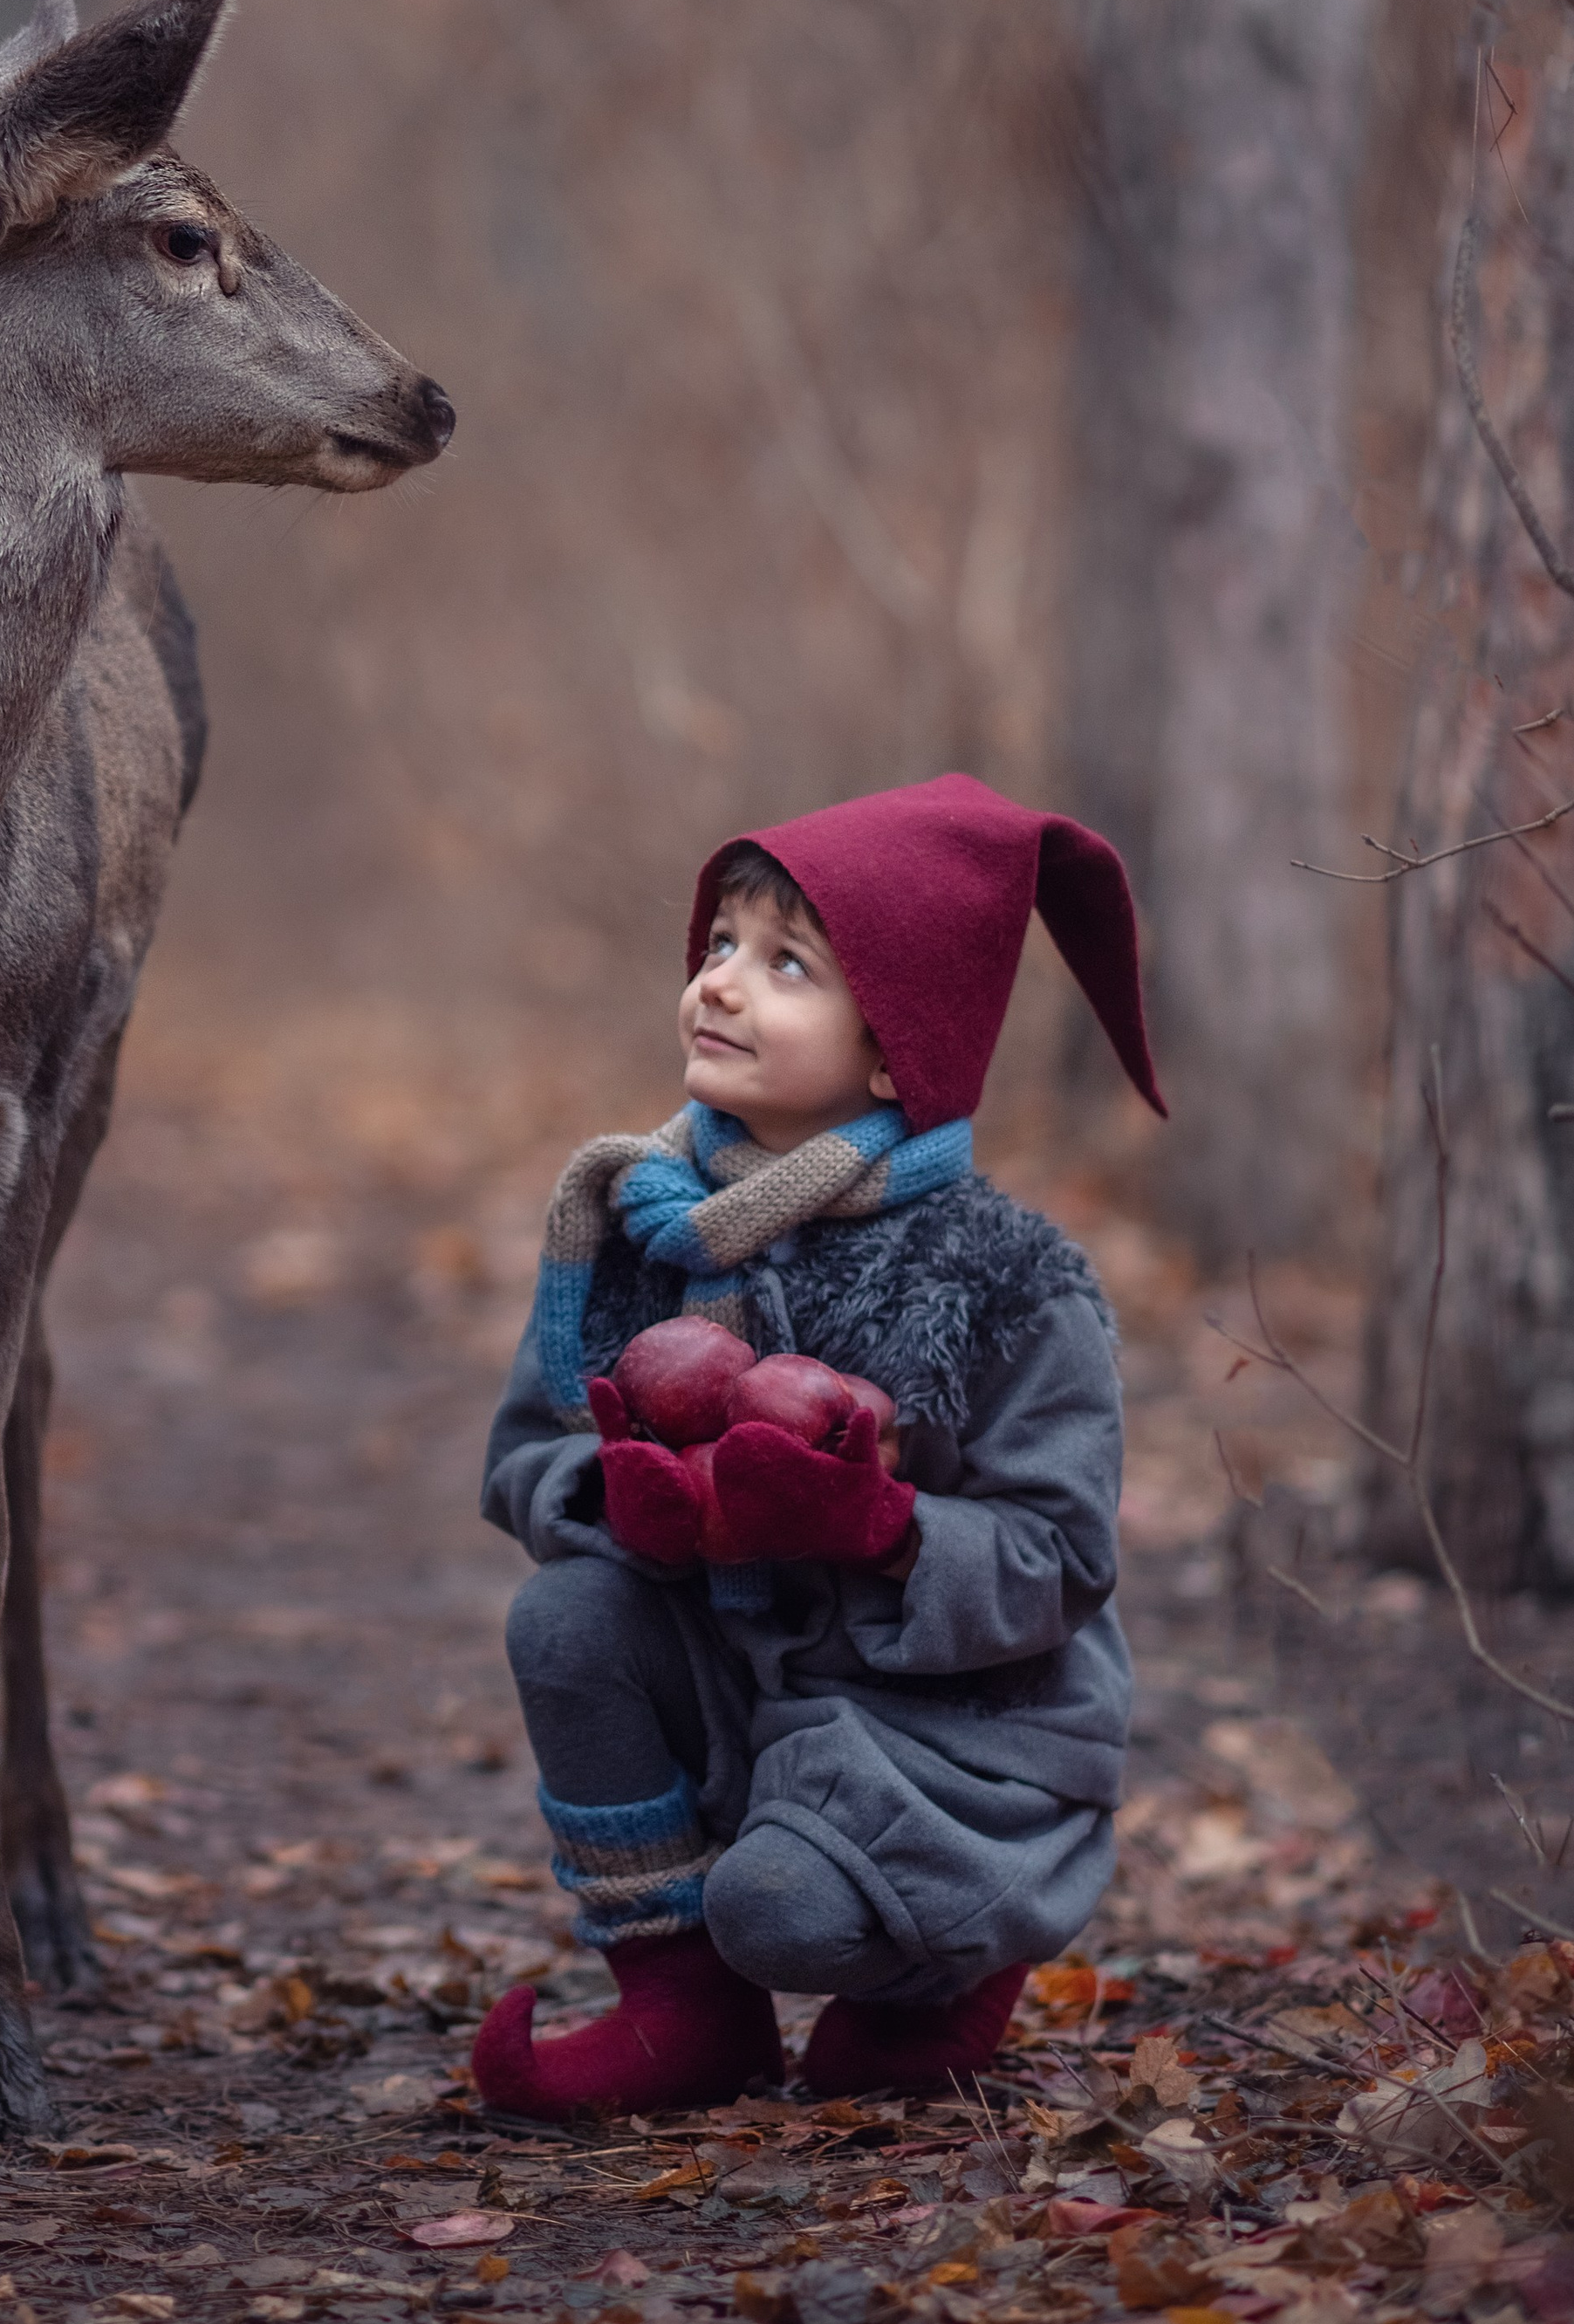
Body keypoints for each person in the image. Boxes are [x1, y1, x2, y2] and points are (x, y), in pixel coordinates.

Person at [472, 772, 1165, 2119]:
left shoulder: (1006, 1279)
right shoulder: (638, 1232)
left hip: (947, 1738)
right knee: (564, 1619)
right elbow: (524, 1456)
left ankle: (950, 1963)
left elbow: (1062, 1559)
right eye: (721, 944)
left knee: (779, 1909)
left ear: (897, 1048)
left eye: (786, 964)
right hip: (744, 1683)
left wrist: (877, 1527)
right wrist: (625, 1500)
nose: (721, 984)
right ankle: (686, 2011)